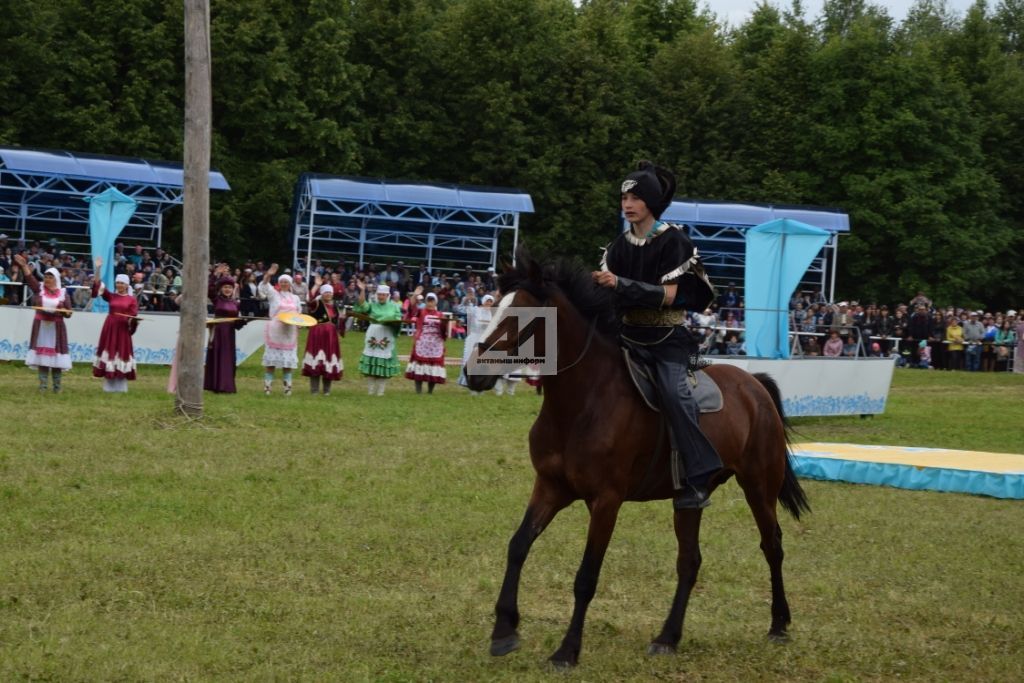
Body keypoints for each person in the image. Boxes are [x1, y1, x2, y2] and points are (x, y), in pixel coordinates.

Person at [592, 160, 720, 509]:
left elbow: (671, 296)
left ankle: (698, 477)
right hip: (626, 337)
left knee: (675, 395)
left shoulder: (675, 242)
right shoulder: (617, 247)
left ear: (650, 201)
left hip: (667, 341)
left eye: (635, 197)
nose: (627, 205)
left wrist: (620, 283)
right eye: (623, 198)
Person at [13, 253, 73, 393]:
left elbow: (69, 312)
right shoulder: (39, 289)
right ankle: (43, 387)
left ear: (56, 279)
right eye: (46, 277)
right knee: (42, 357)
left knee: (57, 357)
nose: (47, 279)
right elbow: (30, 278)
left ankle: (57, 388)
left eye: (50, 277)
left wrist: (64, 311)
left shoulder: (63, 293)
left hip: (56, 327)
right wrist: (23, 265)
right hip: (41, 327)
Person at [90, 257, 138, 392]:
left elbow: (133, 314)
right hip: (110, 327)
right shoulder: (111, 296)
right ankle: (108, 386)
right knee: (109, 351)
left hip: (122, 329)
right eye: (117, 283)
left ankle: (121, 386)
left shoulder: (131, 299)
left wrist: (132, 321)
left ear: (127, 285)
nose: (119, 285)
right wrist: (98, 268)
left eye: (122, 283)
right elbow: (98, 285)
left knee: (121, 353)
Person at [353, 281, 403, 395]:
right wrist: (362, 290)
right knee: (371, 361)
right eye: (379, 294)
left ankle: (380, 391)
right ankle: (370, 390)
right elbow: (362, 305)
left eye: (383, 295)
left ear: (387, 295)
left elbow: (398, 321)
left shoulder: (394, 307)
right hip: (373, 335)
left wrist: (395, 324)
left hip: (387, 335)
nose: (381, 297)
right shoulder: (372, 305)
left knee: (384, 363)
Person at [259, 264, 302, 395]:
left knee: (287, 363)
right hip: (275, 332)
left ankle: (287, 389)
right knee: (271, 362)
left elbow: (298, 315)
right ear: (279, 283)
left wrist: (299, 326)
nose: (284, 284)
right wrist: (269, 275)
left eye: (286, 282)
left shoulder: (295, 298)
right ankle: (267, 388)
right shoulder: (274, 295)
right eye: (282, 281)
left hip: (289, 332)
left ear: (290, 284)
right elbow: (265, 286)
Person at [204, 266, 247, 393]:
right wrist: (215, 274)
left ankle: (227, 385)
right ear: (221, 289)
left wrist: (241, 323)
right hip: (218, 332)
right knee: (217, 356)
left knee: (228, 358)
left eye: (230, 287)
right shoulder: (217, 300)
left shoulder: (236, 303)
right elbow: (209, 289)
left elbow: (235, 323)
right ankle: (215, 385)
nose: (227, 289)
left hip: (229, 334)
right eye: (225, 287)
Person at [303, 279, 344, 395]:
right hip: (317, 335)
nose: (328, 294)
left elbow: (337, 322)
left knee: (329, 361)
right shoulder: (317, 303)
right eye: (326, 292)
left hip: (331, 337)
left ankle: (327, 390)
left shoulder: (335, 306)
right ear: (322, 293)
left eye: (330, 292)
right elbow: (309, 299)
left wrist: (341, 323)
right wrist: (316, 285)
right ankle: (314, 390)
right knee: (316, 360)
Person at [405, 288, 450, 394]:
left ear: (435, 302)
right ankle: (418, 391)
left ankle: (430, 391)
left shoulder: (440, 315)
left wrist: (444, 324)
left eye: (432, 301)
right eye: (428, 301)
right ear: (425, 301)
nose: (430, 303)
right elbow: (411, 308)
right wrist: (415, 295)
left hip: (436, 344)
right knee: (419, 366)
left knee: (433, 367)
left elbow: (444, 329)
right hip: (423, 342)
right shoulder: (420, 312)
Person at [458, 293, 494, 395]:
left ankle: (481, 386)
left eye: (491, 302)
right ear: (483, 301)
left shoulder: (493, 313)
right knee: (470, 361)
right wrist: (466, 300)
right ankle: (470, 385)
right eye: (487, 301)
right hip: (474, 338)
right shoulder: (475, 310)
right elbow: (461, 309)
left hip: (485, 340)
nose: (489, 303)